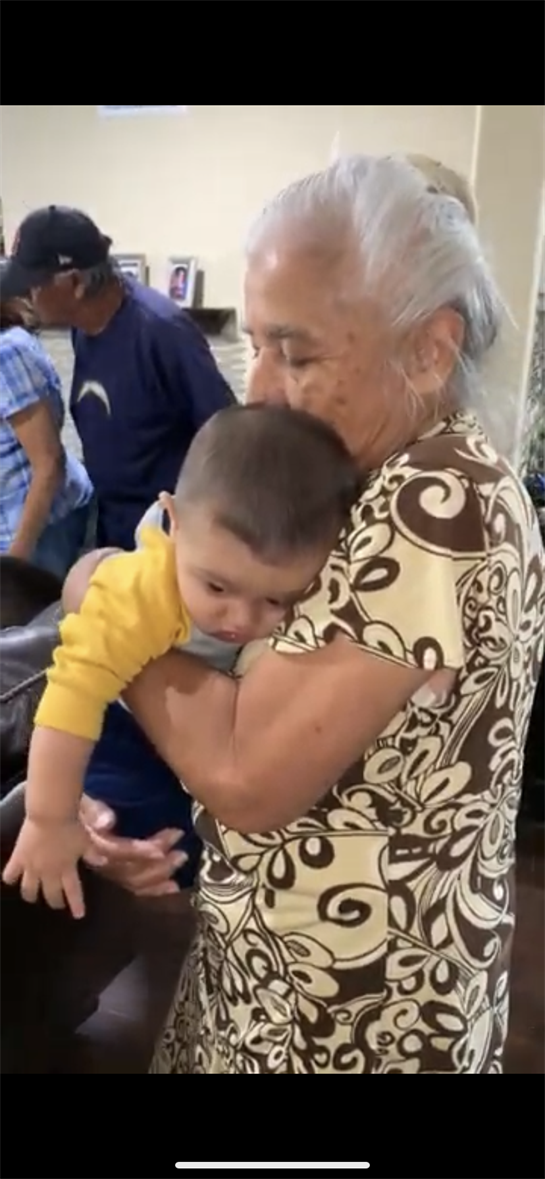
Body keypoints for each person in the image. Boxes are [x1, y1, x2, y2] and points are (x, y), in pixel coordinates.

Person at [1, 152, 543, 1076]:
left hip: (350, 1008)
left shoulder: (434, 502)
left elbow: (245, 768)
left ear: (429, 346)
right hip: (285, 964)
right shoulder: (364, 479)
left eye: (296, 353)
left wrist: (103, 593)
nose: (257, 392)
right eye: (257, 347)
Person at [3, 404, 358, 917]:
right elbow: (69, 700)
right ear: (172, 521)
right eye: (216, 585)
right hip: (114, 728)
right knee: (138, 833)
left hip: (203, 733)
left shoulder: (294, 572)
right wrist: (48, 819)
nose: (239, 617)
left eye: (276, 600)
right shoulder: (140, 590)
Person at [0, 206, 235, 551]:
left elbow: (227, 435)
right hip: (113, 526)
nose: (26, 297)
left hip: (165, 538)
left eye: (33, 286)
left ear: (75, 283)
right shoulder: (83, 329)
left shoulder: (162, 332)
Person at [0, 293, 93, 579]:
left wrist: (13, 570)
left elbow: (50, 464)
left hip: (37, 530)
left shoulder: (7, 354)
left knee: (33, 620)